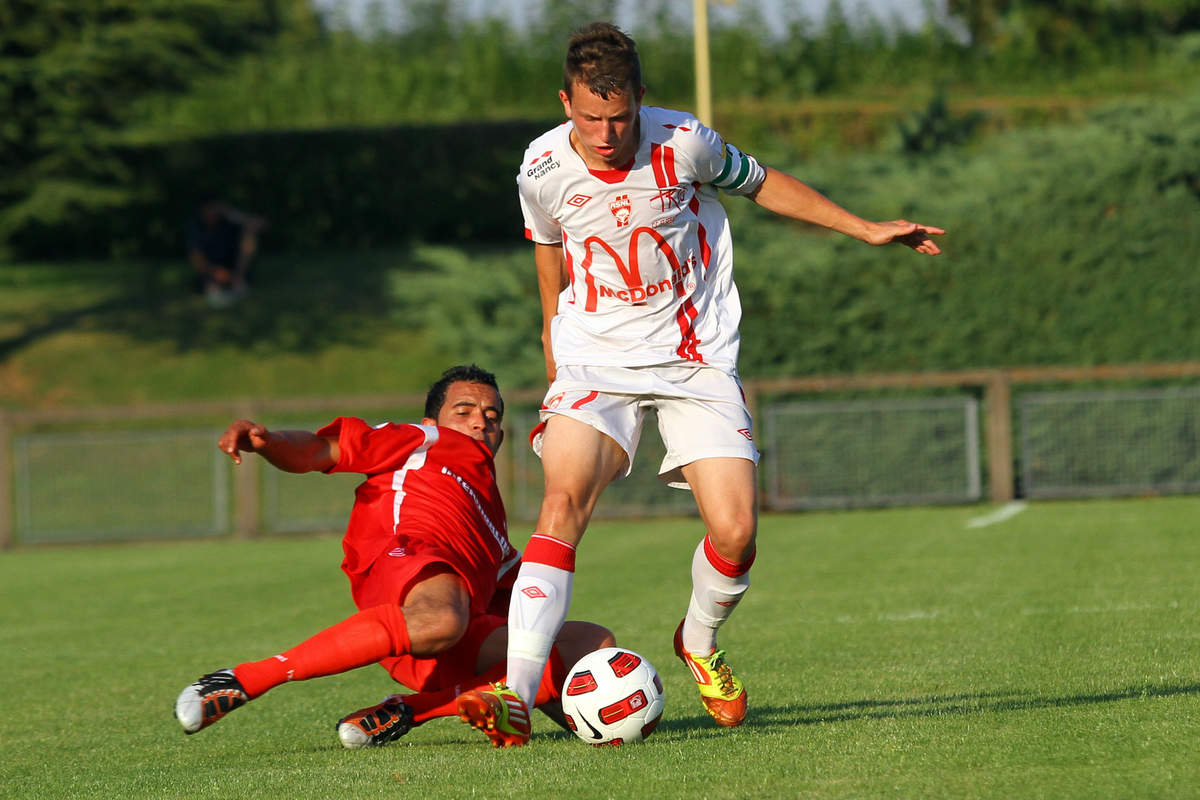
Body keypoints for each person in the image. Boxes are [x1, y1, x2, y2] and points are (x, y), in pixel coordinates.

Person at [485, 22, 947, 744]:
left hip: (695, 359)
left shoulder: (685, 142)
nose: (605, 134)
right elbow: (550, 255)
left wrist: (863, 228)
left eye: (618, 116)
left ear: (640, 97)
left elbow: (764, 185)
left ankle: (697, 641)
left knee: (735, 532)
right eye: (587, 117)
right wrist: (554, 347)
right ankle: (512, 696)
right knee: (562, 503)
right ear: (564, 102)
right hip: (593, 360)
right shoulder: (540, 167)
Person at [173, 365, 614, 749]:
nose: (481, 422)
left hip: (441, 642)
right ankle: (243, 679)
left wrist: (578, 702)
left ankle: (412, 710)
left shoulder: (494, 527)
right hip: (405, 562)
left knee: (590, 644)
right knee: (442, 617)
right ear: (432, 419)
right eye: (464, 411)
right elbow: (316, 451)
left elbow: (523, 622)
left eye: (492, 416)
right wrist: (267, 443)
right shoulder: (423, 439)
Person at [184, 196, 267, 308]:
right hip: (211, 271)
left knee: (249, 235)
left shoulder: (227, 222)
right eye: (211, 208)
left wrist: (235, 215)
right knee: (212, 285)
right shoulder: (196, 227)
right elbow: (197, 258)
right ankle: (220, 288)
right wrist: (215, 272)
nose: (214, 212)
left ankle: (238, 280)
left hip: (234, 268)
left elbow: (259, 224)